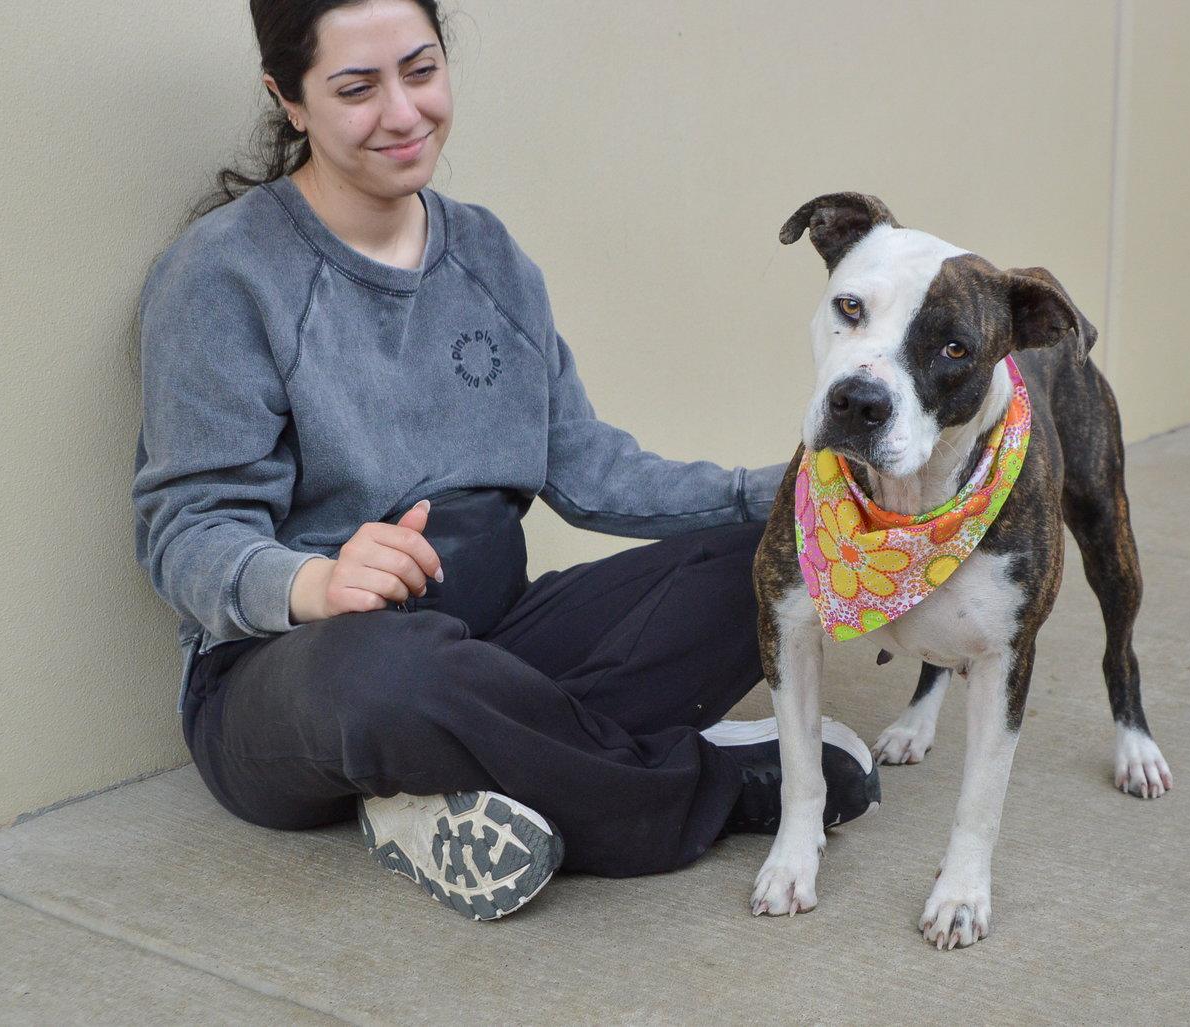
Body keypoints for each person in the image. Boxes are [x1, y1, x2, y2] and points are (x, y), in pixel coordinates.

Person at [132, 0, 880, 922]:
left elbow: (593, 470)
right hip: (300, 678)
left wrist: (792, 494)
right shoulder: (221, 276)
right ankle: (713, 783)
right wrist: (318, 583)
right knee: (392, 679)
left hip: (495, 639)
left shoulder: (488, 255)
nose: (403, 113)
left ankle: (456, 785)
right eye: (357, 88)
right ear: (288, 99)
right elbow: (185, 534)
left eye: (421, 69)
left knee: (788, 558)